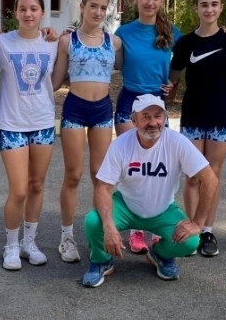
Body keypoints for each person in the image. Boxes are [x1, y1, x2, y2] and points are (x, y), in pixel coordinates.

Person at [81, 94, 218, 287]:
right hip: (126, 206)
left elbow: (210, 180)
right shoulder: (121, 144)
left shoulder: (177, 142)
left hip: (163, 209)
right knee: (94, 222)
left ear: (165, 118)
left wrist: (197, 223)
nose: (153, 123)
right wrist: (109, 226)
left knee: (190, 242)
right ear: (134, 120)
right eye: (145, 117)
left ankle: (159, 255)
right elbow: (103, 187)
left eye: (158, 116)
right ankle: (101, 261)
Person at [168, 0, 226, 257]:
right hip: (193, 116)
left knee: (212, 174)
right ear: (196, 8)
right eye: (204, 4)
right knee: (192, 176)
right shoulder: (186, 43)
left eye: (214, 4)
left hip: (220, 116)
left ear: (220, 8)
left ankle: (207, 230)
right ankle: (192, 231)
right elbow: (172, 79)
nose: (209, 9)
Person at [51, 0, 122, 264]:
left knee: (99, 176)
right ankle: (66, 237)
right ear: (82, 7)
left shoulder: (114, 42)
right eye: (93, 6)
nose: (98, 12)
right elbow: (55, 81)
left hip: (102, 109)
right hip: (75, 109)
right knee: (73, 174)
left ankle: (97, 237)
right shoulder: (67, 41)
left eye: (103, 7)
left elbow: (132, 66)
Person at [113, 0, 182, 254]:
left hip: (157, 104)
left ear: (161, 1)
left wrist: (173, 84)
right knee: (132, 166)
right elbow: (109, 56)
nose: (150, 2)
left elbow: (191, 53)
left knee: (158, 167)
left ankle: (155, 227)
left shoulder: (172, 32)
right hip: (130, 102)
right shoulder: (124, 32)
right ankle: (135, 231)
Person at [0, 0, 59, 271]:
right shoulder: (2, 42)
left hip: (43, 122)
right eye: (23, 9)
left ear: (42, 12)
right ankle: (10, 245)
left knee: (36, 186)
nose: (28, 14)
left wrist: (57, 33)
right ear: (15, 12)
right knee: (18, 190)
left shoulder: (52, 43)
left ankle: (29, 243)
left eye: (34, 9)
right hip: (12, 124)